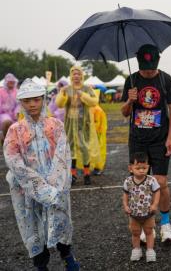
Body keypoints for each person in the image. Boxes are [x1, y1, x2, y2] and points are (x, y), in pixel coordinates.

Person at [3, 79, 80, 271]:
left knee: (60, 219)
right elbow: (13, 159)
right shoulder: (15, 130)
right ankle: (40, 264)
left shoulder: (55, 125)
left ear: (43, 100)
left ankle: (66, 255)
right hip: (27, 188)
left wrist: (53, 185)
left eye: (36, 100)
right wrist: (38, 185)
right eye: (27, 101)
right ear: (21, 103)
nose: (32, 105)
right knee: (33, 225)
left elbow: (63, 155)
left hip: (56, 185)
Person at [121, 44, 171, 243]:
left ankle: (165, 224)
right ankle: (148, 227)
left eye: (152, 68)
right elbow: (124, 113)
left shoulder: (165, 79)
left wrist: (170, 138)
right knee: (139, 182)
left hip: (160, 139)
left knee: (161, 182)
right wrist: (130, 101)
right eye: (145, 69)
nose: (149, 72)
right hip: (137, 139)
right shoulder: (131, 80)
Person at [56, 66, 100, 185]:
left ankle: (86, 174)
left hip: (83, 123)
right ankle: (73, 175)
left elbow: (94, 101)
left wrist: (83, 96)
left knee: (84, 147)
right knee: (70, 148)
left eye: (78, 74)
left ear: (82, 76)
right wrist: (63, 95)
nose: (76, 76)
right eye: (74, 74)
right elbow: (59, 104)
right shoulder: (66, 89)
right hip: (69, 123)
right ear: (71, 76)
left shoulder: (87, 88)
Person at [123, 152, 160, 263]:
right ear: (131, 168)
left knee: (149, 231)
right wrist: (125, 205)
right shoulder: (128, 181)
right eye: (138, 168)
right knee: (135, 232)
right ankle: (136, 249)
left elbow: (157, 192)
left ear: (148, 167)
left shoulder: (151, 180)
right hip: (133, 214)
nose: (141, 170)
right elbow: (125, 194)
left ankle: (150, 250)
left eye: (144, 168)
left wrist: (154, 204)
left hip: (148, 213)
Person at [90, 89, 108, 175]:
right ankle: (94, 167)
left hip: (97, 134)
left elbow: (99, 123)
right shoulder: (92, 108)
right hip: (94, 134)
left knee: (98, 151)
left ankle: (97, 167)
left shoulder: (97, 109)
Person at [0, 73, 20, 144]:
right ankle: (6, 140)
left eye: (13, 82)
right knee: (7, 121)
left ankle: (14, 142)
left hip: (14, 114)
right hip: (3, 114)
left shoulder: (17, 91)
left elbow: (19, 104)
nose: (11, 83)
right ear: (6, 82)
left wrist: (16, 112)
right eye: (10, 82)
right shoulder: (1, 91)